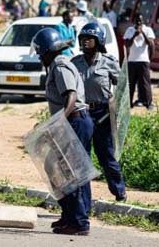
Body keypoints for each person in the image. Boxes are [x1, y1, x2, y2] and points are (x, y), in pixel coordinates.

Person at [32, 27, 93, 235]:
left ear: (48, 51)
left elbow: (71, 97)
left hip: (75, 121)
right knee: (57, 167)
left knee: (70, 173)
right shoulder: (58, 65)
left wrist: (59, 123)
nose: (40, 57)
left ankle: (79, 222)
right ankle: (71, 215)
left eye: (41, 52)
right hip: (72, 121)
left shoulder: (59, 65)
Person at [72, 23, 127, 202]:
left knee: (107, 156)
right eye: (83, 38)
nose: (85, 41)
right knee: (82, 157)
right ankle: (83, 199)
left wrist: (116, 106)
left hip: (102, 114)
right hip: (82, 114)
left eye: (90, 38)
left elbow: (122, 87)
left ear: (99, 41)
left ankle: (120, 192)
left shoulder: (108, 62)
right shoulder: (74, 63)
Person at [124, 14, 155, 110]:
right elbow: (127, 44)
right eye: (137, 21)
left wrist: (143, 34)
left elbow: (150, 44)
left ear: (143, 21)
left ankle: (148, 103)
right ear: (134, 21)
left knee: (145, 83)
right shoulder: (129, 30)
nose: (138, 23)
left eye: (140, 21)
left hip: (143, 60)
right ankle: (128, 103)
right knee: (130, 83)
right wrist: (134, 35)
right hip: (132, 60)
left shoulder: (148, 30)